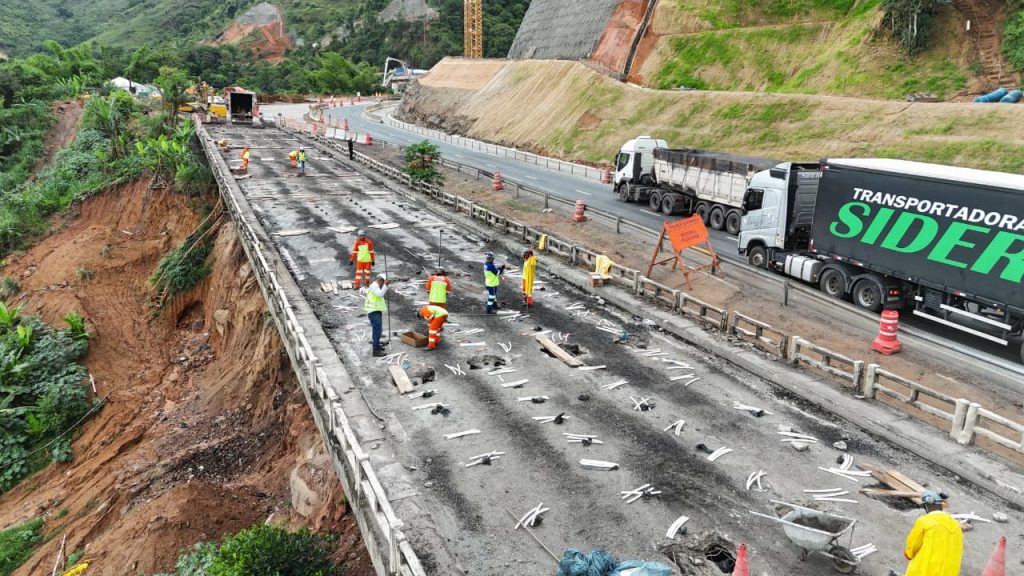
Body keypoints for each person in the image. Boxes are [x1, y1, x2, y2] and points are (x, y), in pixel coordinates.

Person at [902, 490, 962, 576]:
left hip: (925, 571)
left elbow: (912, 546)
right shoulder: (956, 525)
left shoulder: (924, 521)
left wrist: (908, 554)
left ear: (928, 504)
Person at [364, 274, 391, 357]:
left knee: (378, 330)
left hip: (376, 310)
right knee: (377, 331)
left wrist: (385, 286)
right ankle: (375, 350)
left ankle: (377, 345)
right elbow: (379, 294)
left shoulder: (376, 285)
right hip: (373, 311)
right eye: (383, 282)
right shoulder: (375, 286)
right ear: (381, 280)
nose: (383, 285)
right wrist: (386, 286)